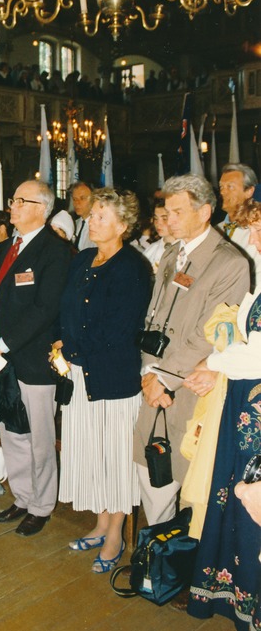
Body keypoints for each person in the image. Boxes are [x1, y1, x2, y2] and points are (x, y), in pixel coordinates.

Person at [133, 174, 250, 526]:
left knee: (191, 493)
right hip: (155, 386)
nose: (169, 220)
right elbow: (152, 320)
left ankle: (178, 570)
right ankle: (155, 567)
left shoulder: (230, 263)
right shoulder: (172, 255)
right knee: (152, 481)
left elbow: (210, 334)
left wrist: (164, 378)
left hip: (190, 389)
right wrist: (149, 373)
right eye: (167, 212)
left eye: (178, 212)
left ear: (205, 213)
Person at [56, 188, 152, 572]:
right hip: (81, 373)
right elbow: (66, 309)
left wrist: (74, 350)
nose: (91, 221)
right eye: (92, 214)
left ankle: (115, 534)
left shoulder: (132, 268)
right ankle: (99, 522)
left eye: (100, 216)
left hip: (113, 377)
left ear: (122, 226)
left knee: (115, 459)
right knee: (92, 455)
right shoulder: (82, 260)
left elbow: (119, 329)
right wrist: (62, 342)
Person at [185, 186, 261, 631]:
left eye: (258, 225)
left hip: (255, 412)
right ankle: (248, 626)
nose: (252, 233)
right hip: (245, 412)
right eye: (253, 225)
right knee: (242, 515)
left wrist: (213, 365)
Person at [0, 180, 71, 536]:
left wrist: (5, 342)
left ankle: (42, 505)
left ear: (41, 208)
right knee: (12, 431)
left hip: (33, 359)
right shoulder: (5, 247)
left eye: (22, 200)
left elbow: (44, 309)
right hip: (1, 356)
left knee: (39, 436)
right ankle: (21, 496)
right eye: (13, 199)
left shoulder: (55, 251)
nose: (13, 206)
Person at [218, 163, 261, 290]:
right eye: (221, 187)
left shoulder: (257, 231)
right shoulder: (215, 231)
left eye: (230, 187)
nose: (222, 192)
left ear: (249, 191)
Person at [143, 198, 175, 273]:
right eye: (155, 218)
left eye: (164, 219)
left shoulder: (185, 248)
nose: (158, 223)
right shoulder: (150, 250)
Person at [71, 182, 96, 251]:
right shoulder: (73, 225)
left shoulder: (99, 227)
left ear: (93, 199)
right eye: (74, 199)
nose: (77, 203)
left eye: (82, 198)